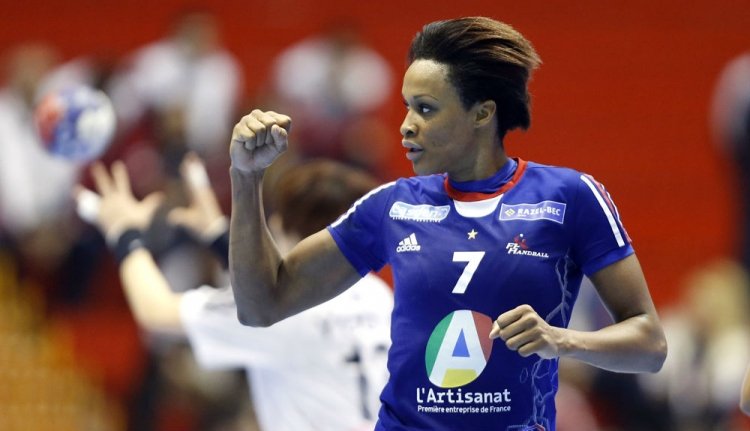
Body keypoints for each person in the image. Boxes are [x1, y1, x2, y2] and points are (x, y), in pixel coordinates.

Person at [227, 16, 667, 431]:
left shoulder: (569, 196)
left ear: (482, 113)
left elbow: (650, 345)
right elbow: (261, 305)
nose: (406, 126)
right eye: (407, 107)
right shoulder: (392, 206)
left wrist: (562, 341)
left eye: (426, 109)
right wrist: (246, 178)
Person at [75, 153, 393, 431]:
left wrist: (124, 232)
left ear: (285, 229)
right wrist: (217, 234)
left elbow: (157, 312)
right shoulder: (378, 296)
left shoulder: (285, 313)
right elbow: (269, 282)